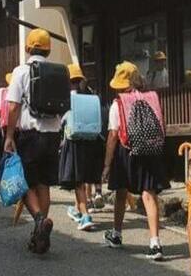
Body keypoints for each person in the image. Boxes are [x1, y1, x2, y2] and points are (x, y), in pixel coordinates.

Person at [102, 61, 168, 261]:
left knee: (121, 192)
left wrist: (107, 164)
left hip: (126, 151)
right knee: (149, 195)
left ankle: (116, 234)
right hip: (150, 151)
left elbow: (113, 135)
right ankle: (155, 243)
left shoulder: (118, 104)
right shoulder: (151, 98)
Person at [4, 28, 62, 255]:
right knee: (43, 184)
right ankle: (40, 235)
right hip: (53, 134)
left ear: (28, 48)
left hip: (31, 135)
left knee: (24, 183)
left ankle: (39, 221)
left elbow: (13, 106)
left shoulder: (21, 71)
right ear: (48, 49)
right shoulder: (59, 71)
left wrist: (9, 135)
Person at [59, 63, 103, 231]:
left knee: (78, 181)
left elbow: (62, 120)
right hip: (90, 140)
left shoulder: (66, 98)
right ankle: (77, 209)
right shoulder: (89, 96)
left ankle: (85, 215)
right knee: (84, 178)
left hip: (74, 141)